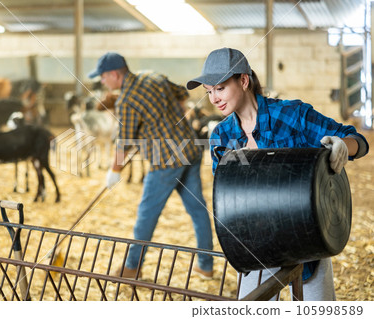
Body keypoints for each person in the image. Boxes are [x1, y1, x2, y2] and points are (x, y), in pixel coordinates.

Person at [187, 47, 369, 300]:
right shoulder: (221, 135)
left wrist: (342, 146)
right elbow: (226, 197)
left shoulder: (292, 114)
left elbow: (357, 139)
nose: (213, 99)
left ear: (243, 80)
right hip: (253, 243)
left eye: (220, 88)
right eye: (208, 92)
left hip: (306, 239)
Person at [88, 52, 214, 279]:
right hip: (190, 149)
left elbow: (124, 141)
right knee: (198, 209)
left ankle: (131, 267)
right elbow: (181, 94)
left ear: (115, 74)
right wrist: (169, 122)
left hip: (166, 160)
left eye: (103, 77)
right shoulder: (153, 76)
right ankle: (206, 265)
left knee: (146, 214)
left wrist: (113, 171)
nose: (102, 82)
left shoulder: (126, 101)